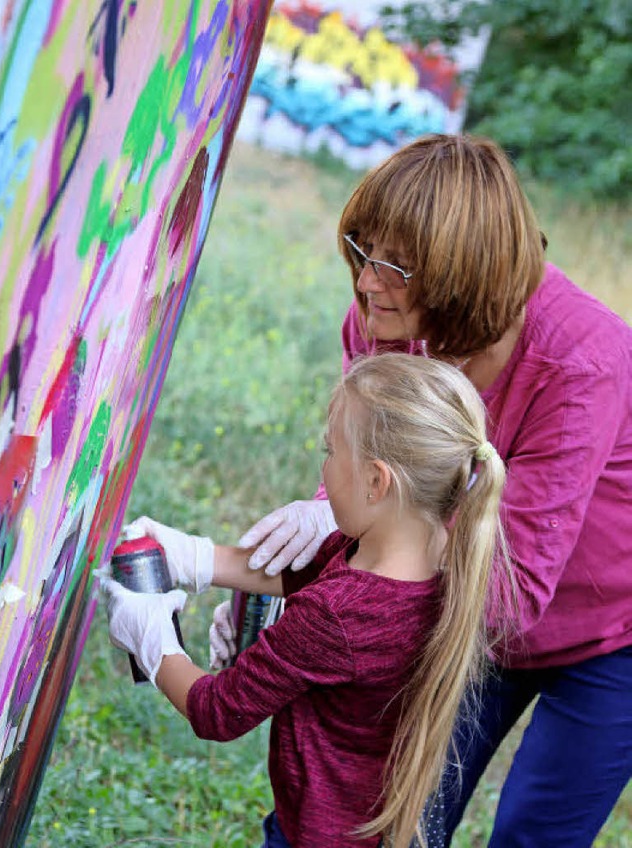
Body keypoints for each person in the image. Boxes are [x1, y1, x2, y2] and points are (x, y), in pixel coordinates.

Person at [226, 134, 632, 846]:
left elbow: (509, 591)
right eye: (362, 248)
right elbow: (378, 482)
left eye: (394, 265)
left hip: (609, 634)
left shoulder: (584, 360)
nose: (365, 282)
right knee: (368, 818)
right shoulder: (389, 320)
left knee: (536, 836)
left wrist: (329, 610)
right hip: (453, 597)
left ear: (462, 274)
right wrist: (292, 566)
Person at [102, 353, 508, 848]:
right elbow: (308, 573)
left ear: (377, 481)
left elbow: (217, 710)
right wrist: (199, 558)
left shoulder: (337, 615)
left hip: (321, 833)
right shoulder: (432, 556)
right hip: (363, 819)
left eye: (330, 450)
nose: (324, 464)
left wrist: (153, 638)